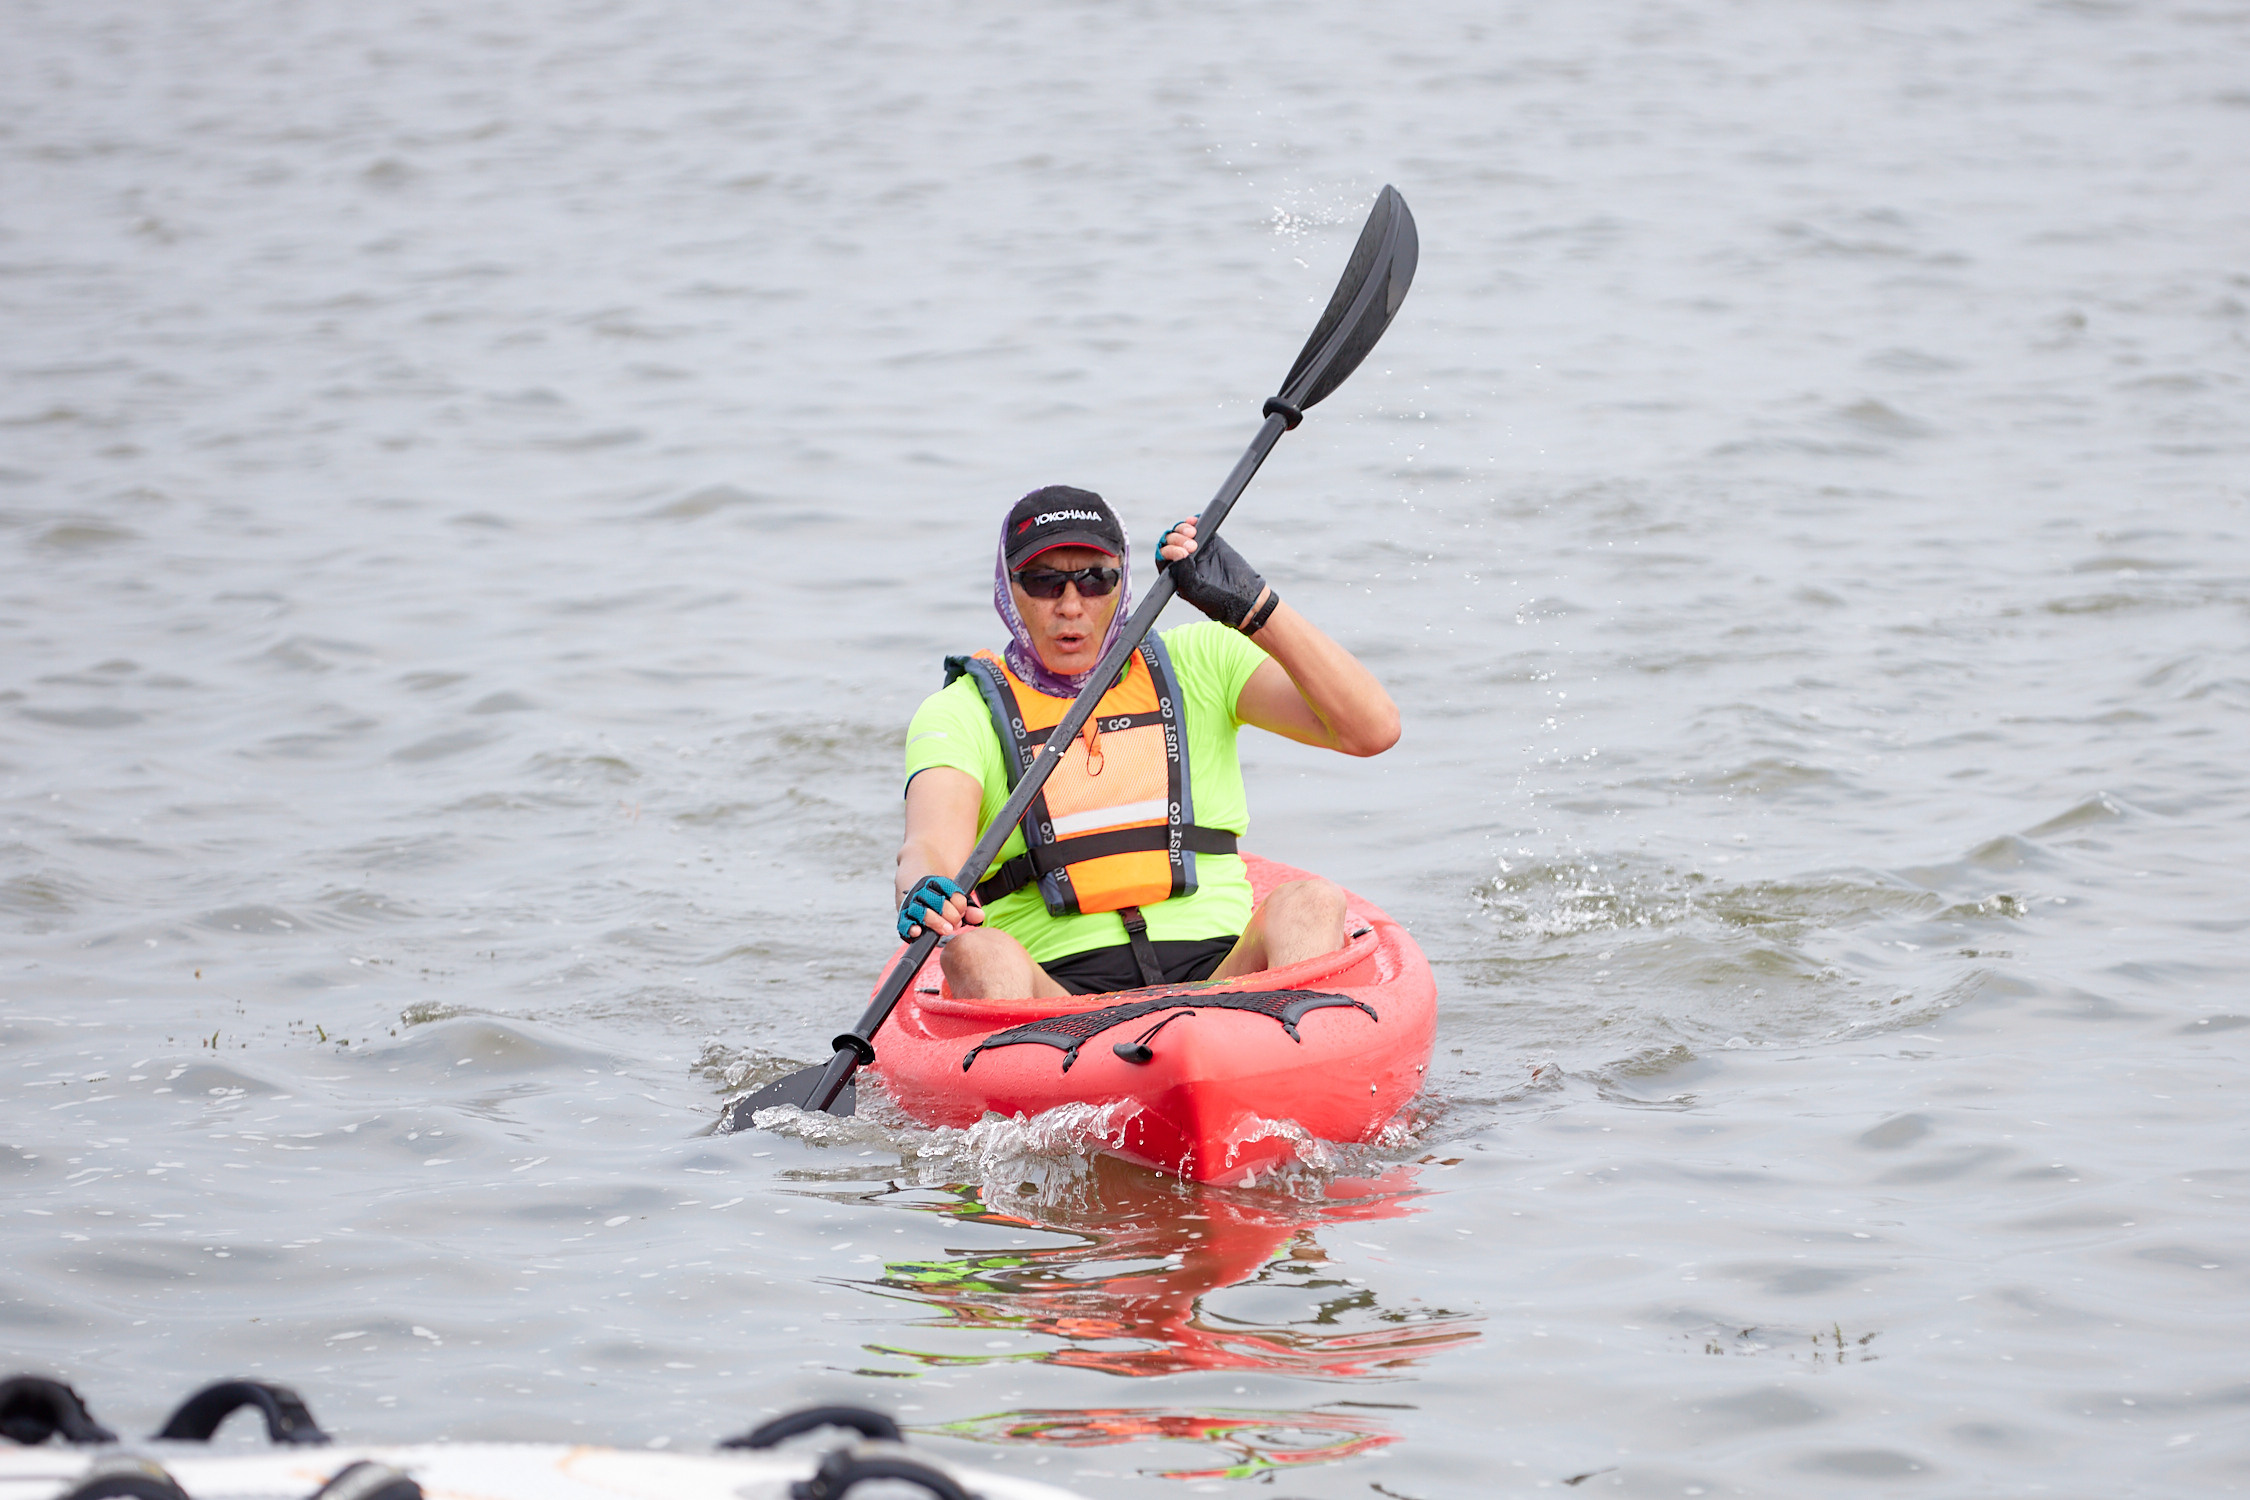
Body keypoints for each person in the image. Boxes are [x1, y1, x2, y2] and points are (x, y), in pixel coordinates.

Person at [894, 484, 1399, 999]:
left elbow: (1372, 730)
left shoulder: (1203, 660)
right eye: (1044, 582)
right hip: (1053, 999)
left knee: (1313, 901)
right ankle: (1034, 1077)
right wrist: (923, 885)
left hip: (1226, 972)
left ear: (1124, 580)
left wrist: (1256, 606)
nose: (1071, 606)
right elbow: (929, 844)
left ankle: (1288, 1051)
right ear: (1007, 588)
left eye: (1096, 579)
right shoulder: (962, 710)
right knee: (973, 951)